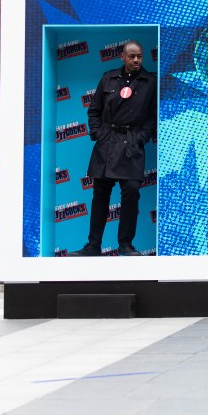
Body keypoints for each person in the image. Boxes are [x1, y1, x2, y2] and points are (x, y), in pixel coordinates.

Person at [71, 40, 157, 257]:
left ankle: (125, 245)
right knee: (100, 195)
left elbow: (153, 117)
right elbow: (94, 111)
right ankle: (93, 246)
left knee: (131, 192)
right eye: (132, 56)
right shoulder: (108, 78)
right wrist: (99, 134)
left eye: (139, 56)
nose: (136, 60)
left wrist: (141, 138)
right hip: (107, 144)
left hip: (131, 145)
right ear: (122, 57)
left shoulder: (151, 81)